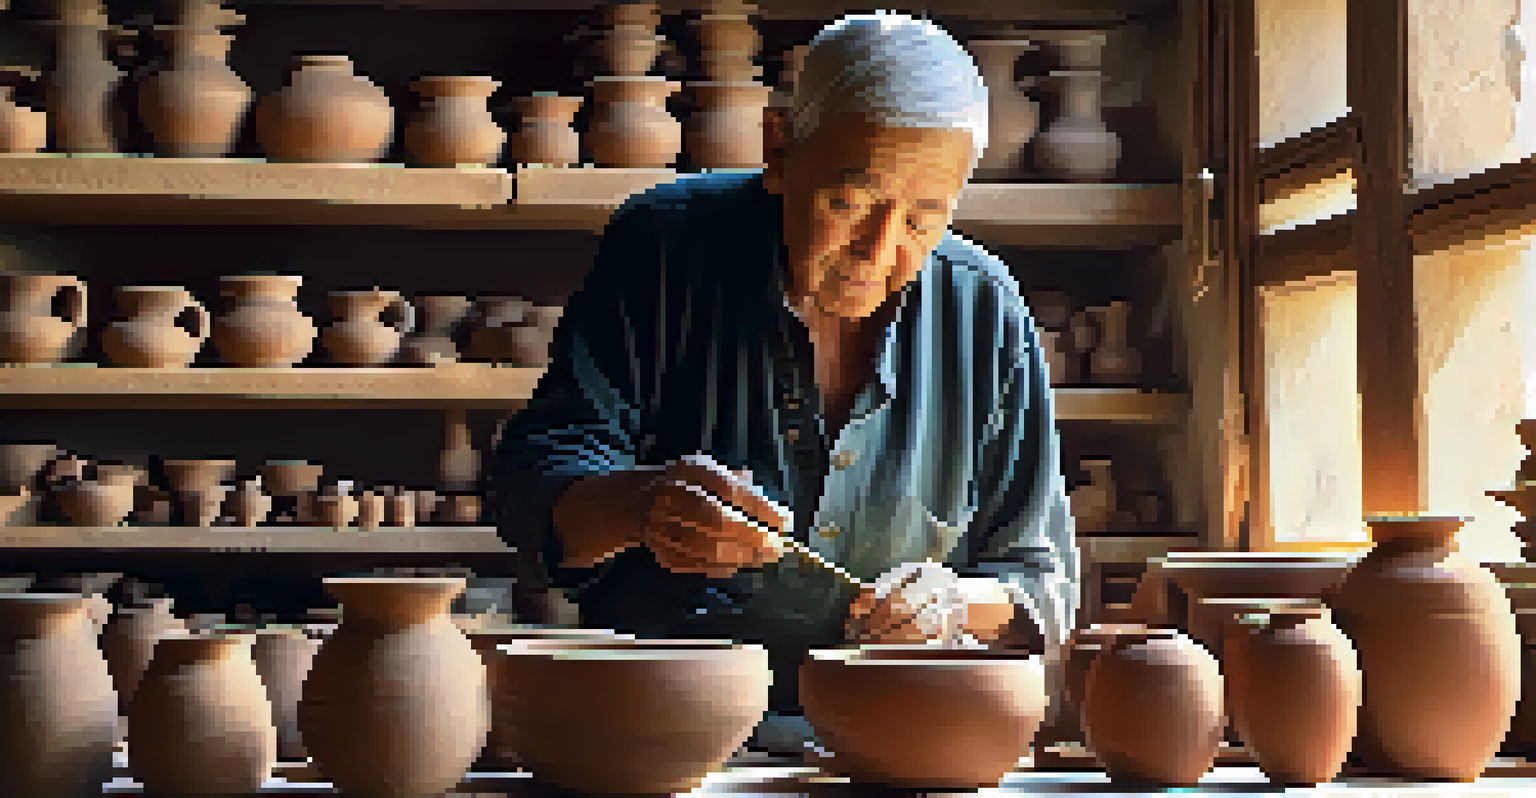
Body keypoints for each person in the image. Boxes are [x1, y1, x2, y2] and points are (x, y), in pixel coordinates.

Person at [488, 11, 1080, 754]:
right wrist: (641, 507)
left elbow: (1042, 580)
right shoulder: (663, 246)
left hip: (897, 739)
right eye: (850, 203)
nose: (879, 250)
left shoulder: (985, 307)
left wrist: (957, 601)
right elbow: (527, 486)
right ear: (778, 147)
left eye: (923, 222)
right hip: (672, 738)